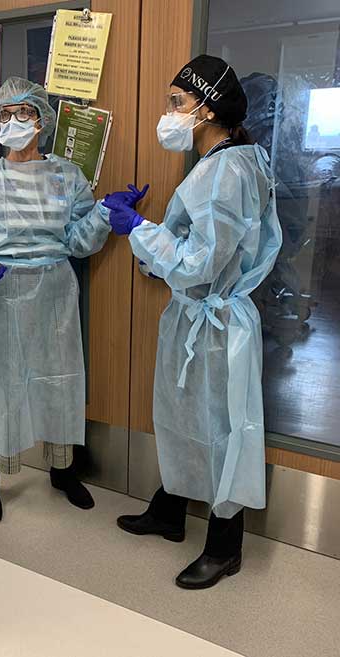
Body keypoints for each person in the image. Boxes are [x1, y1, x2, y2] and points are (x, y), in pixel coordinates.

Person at [104, 55, 282, 589]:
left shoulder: (225, 170)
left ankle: (226, 547)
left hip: (216, 321)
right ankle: (169, 509)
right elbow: (203, 246)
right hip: (200, 318)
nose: (170, 113)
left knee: (223, 431)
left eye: (177, 103)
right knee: (185, 416)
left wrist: (139, 229)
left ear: (208, 110)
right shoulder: (223, 163)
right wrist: (154, 230)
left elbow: (200, 264)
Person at [0, 77, 120, 523]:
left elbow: (78, 239)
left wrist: (105, 214)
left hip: (54, 290)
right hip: (2, 288)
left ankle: (63, 472)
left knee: (59, 378)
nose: (13, 122)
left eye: (23, 113)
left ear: (42, 120)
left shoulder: (67, 175)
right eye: (5, 114)